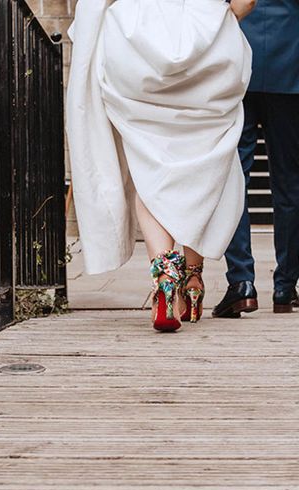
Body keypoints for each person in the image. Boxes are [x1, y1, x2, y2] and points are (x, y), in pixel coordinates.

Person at [66, 0, 255, 331]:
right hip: (207, 39)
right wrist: (218, 20)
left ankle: (165, 273)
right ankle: (193, 280)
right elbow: (245, 1)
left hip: (136, 44)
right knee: (205, 165)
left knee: (150, 167)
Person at [212, 0, 299, 317]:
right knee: (289, 182)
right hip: (290, 62)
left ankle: (241, 284)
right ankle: (285, 286)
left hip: (239, 65)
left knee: (234, 178)